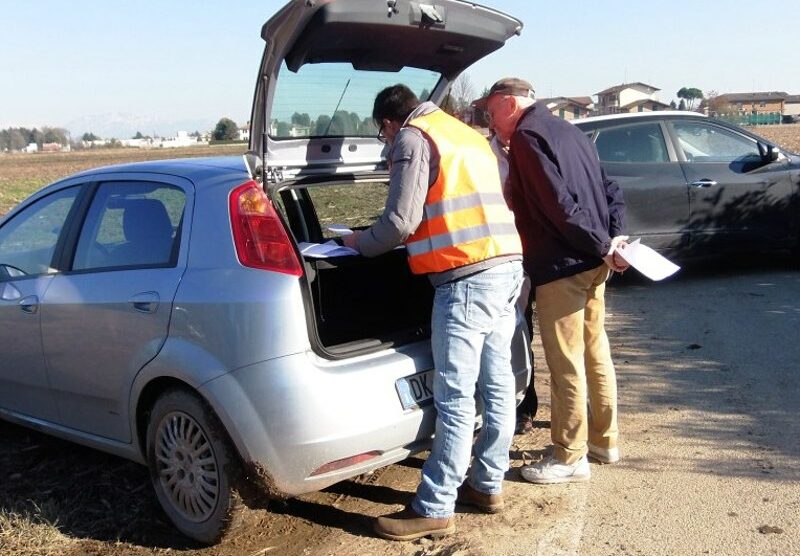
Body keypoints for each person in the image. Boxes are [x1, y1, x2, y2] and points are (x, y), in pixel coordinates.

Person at [343, 84, 524, 540]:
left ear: (387, 123)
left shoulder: (411, 137)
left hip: (465, 277)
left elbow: (400, 222)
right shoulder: (464, 133)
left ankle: (436, 505)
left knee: (456, 397)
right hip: (506, 266)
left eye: (382, 137)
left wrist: (357, 243)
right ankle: (486, 484)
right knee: (498, 383)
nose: (388, 144)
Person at [484, 77, 629, 484]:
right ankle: (605, 440)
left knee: (566, 363)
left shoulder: (529, 139)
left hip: (564, 266)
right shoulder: (572, 131)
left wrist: (603, 243)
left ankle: (569, 456)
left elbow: (558, 206)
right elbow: (611, 188)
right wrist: (613, 239)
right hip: (594, 264)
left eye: (492, 112)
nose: (491, 122)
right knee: (595, 352)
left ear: (509, 104)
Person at [488, 127, 538, 435]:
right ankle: (521, 408)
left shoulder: (531, 149)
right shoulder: (483, 156)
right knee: (516, 330)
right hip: (504, 255)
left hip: (539, 250)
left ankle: (531, 405)